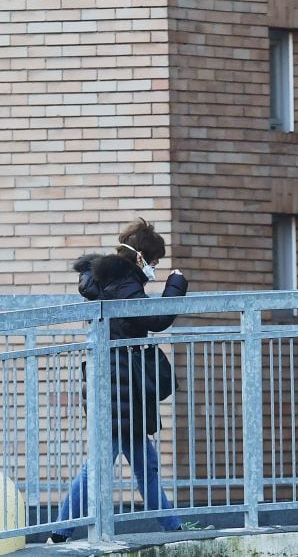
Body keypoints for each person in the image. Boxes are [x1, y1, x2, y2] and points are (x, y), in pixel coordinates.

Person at [48, 218, 191, 543]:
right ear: (140, 255)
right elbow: (155, 319)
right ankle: (58, 532)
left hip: (118, 386)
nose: (155, 266)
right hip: (119, 387)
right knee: (99, 466)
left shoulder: (112, 279)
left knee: (144, 463)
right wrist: (176, 286)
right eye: (154, 260)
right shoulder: (125, 282)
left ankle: (173, 529)